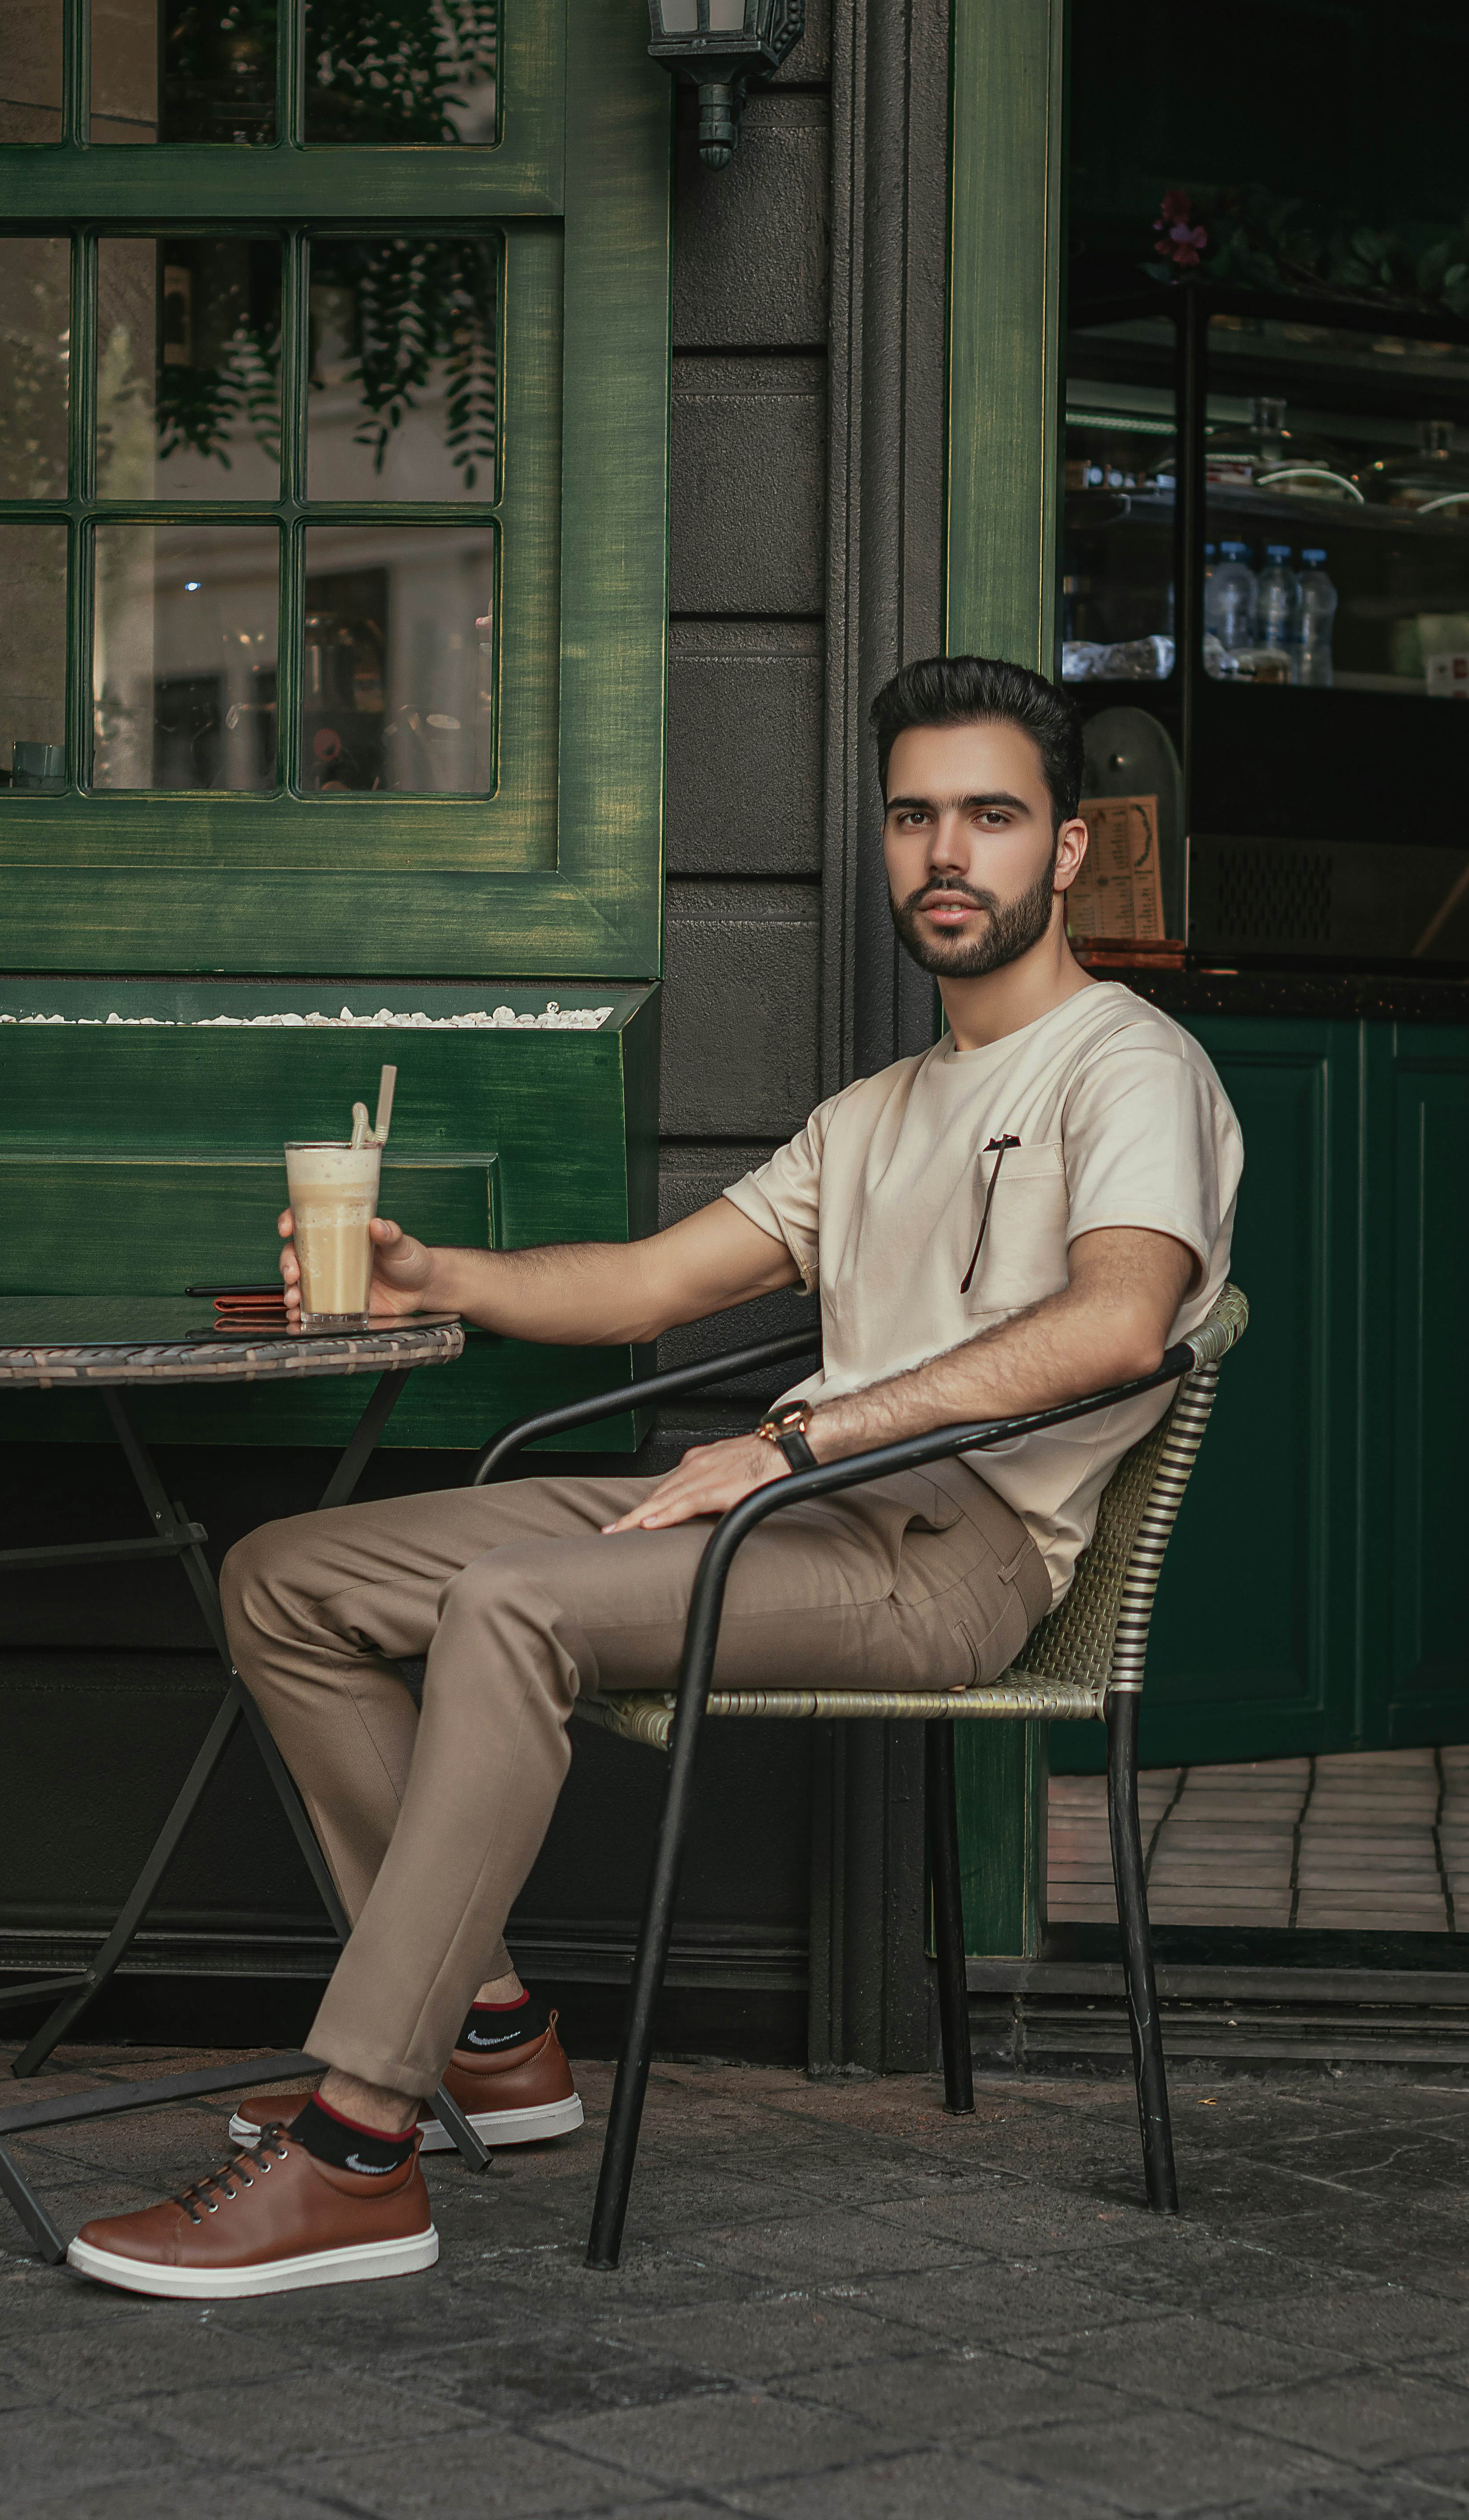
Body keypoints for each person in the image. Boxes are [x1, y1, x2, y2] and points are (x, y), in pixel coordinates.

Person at [69, 656, 1242, 2300]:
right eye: (915, 817)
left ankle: (355, 2155)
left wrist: (793, 1439)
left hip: (956, 1554)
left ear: (1065, 852)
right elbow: (642, 1286)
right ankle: (482, 2032)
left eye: (992, 815)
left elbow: (1118, 1325)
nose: (947, 854)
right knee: (291, 1578)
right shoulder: (879, 1111)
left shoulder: (1129, 1068)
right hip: (798, 1511)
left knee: (513, 1607)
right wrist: (441, 1280)